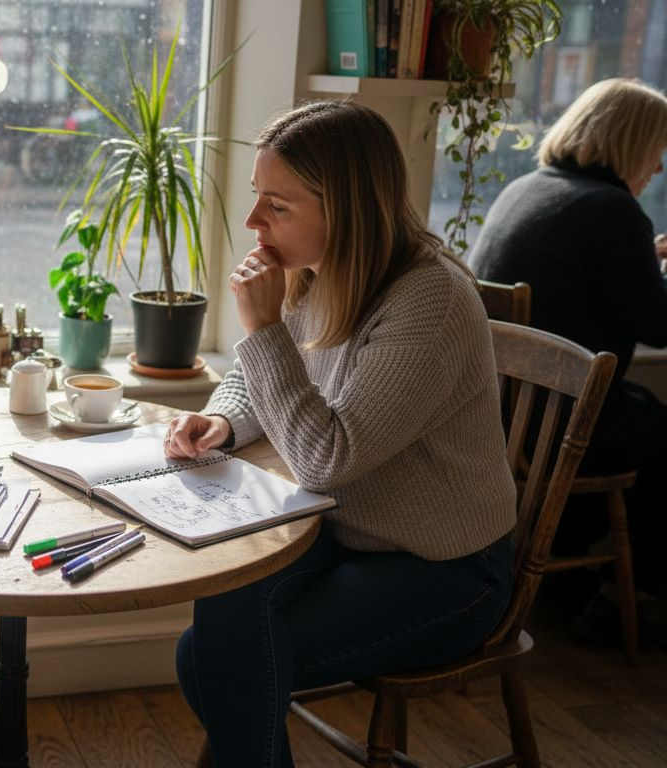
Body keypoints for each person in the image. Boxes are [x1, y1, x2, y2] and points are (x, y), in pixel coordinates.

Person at [166, 101, 517, 767]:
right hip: (347, 530)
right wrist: (225, 419)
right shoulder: (318, 270)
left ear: (347, 206)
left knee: (219, 660)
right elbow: (260, 375)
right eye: (255, 198)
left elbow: (327, 459)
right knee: (218, 621)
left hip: (446, 567)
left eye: (278, 205)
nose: (253, 224)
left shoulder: (428, 300)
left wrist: (261, 327)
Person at [468, 77, 667, 634]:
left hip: (509, 417)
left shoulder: (527, 187)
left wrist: (644, 262)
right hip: (558, 423)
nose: (656, 169)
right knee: (655, 428)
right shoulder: (615, 212)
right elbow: (657, 323)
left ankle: (567, 580)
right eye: (656, 152)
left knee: (638, 411)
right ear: (631, 144)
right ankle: (625, 603)